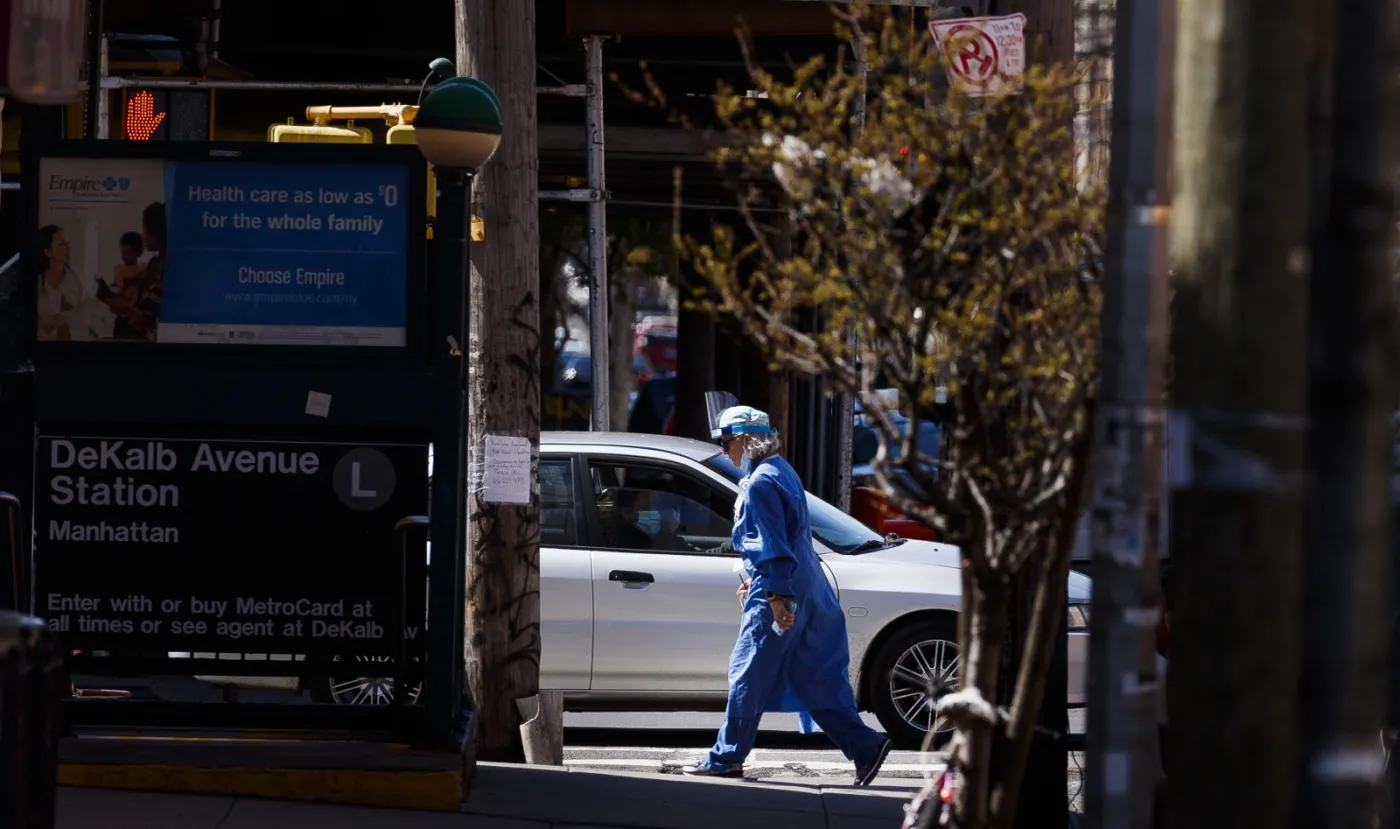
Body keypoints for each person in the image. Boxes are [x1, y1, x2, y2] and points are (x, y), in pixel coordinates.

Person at [682, 405, 893, 785]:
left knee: (748, 675)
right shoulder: (782, 470)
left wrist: (775, 595)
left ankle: (726, 757)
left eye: (726, 442)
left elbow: (771, 542)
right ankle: (865, 747)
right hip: (808, 585)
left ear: (745, 441)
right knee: (815, 677)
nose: (725, 451)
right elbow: (787, 538)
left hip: (783, 588)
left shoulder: (761, 482)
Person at [36, 225, 98, 341]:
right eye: (62, 244)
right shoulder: (37, 283)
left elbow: (83, 317)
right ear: (48, 251)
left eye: (68, 244)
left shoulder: (75, 277)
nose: (68, 248)